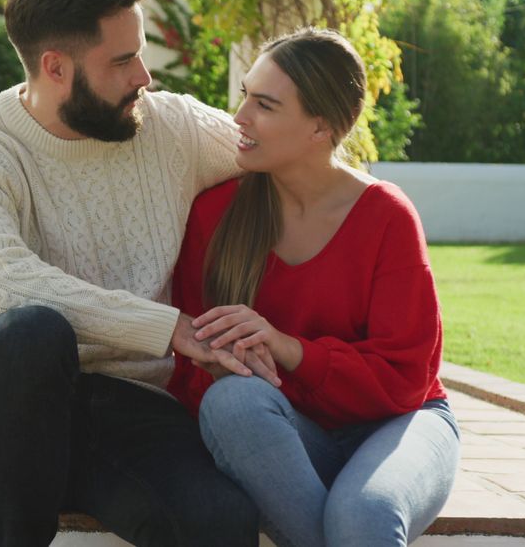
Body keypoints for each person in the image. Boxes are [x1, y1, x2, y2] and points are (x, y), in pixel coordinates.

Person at [0, 0, 270, 545]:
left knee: (222, 522)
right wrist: (168, 328)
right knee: (31, 330)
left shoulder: (169, 126)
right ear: (56, 67)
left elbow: (277, 148)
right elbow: (0, 286)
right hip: (11, 408)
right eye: (125, 59)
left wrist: (372, 202)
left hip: (131, 412)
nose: (145, 76)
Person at [167, 28, 461, 547]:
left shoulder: (387, 217)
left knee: (362, 517)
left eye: (265, 105)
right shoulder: (215, 216)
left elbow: (405, 378)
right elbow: (190, 369)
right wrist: (219, 366)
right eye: (245, 98)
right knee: (231, 403)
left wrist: (288, 349)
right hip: (287, 434)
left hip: (399, 423)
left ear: (320, 127)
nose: (240, 118)